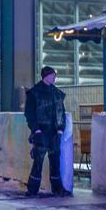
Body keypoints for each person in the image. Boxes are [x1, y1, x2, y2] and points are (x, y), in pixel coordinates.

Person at [24, 66, 69, 196]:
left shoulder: (56, 93)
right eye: (52, 75)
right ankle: (32, 189)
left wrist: (60, 129)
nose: (54, 77)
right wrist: (36, 130)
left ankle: (57, 188)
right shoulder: (35, 93)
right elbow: (30, 113)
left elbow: (62, 113)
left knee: (55, 161)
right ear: (45, 76)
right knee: (38, 161)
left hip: (54, 132)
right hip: (41, 132)